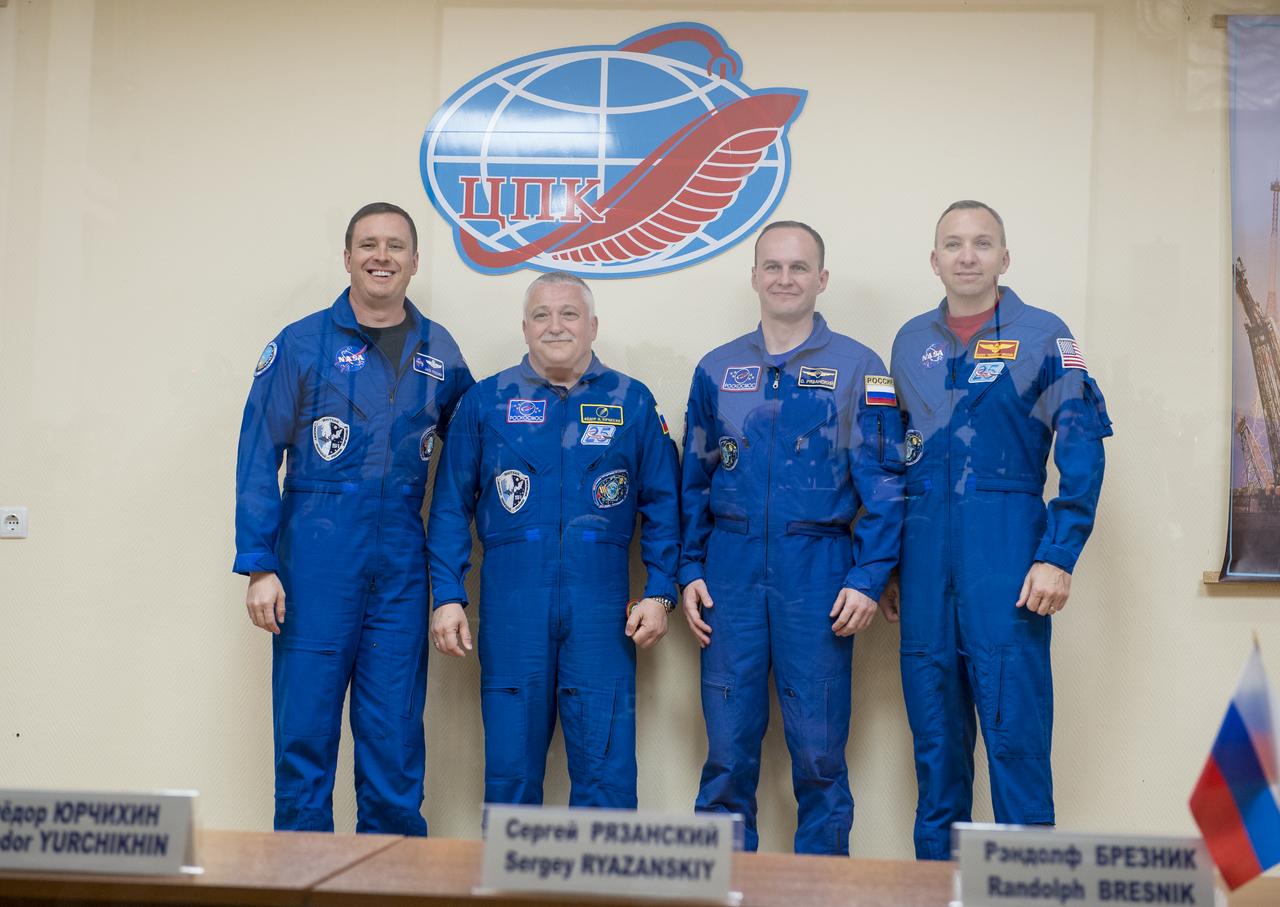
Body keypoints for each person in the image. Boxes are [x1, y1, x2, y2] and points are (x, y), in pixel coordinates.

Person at [233, 202, 473, 834]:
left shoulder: (438, 349)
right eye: (368, 244)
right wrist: (259, 564)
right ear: (346, 258)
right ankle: (302, 885)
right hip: (314, 556)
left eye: (396, 246)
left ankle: (391, 885)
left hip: (399, 559)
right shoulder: (300, 344)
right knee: (306, 735)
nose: (381, 256)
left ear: (415, 262)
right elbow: (259, 453)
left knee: (394, 738)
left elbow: (477, 447)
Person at [884, 200, 1113, 860]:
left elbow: (1083, 447)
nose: (967, 255)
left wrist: (1059, 554)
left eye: (982, 243)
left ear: (1004, 258)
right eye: (953, 244)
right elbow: (892, 457)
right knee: (936, 760)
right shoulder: (908, 342)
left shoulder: (1045, 336)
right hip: (925, 573)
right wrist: (893, 565)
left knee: (1015, 748)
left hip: (1007, 562)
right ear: (934, 260)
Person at [679, 221, 905, 855]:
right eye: (772, 266)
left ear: (821, 279)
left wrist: (867, 577)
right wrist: (689, 569)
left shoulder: (861, 367)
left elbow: (886, 488)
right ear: (754, 276)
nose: (785, 278)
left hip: (820, 576)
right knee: (726, 757)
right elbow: (691, 482)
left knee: (819, 757)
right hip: (729, 574)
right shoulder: (716, 370)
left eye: (799, 267)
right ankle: (718, 895)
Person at [426, 271, 680, 808]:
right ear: (524, 326)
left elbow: (663, 506)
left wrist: (660, 593)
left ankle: (600, 891)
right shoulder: (485, 403)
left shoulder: (632, 402)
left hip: (602, 611)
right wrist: (447, 595)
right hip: (513, 608)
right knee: (511, 776)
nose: (555, 325)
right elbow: (449, 506)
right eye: (542, 314)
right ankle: (515, 894)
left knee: (606, 776)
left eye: (569, 314)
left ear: (593, 325)